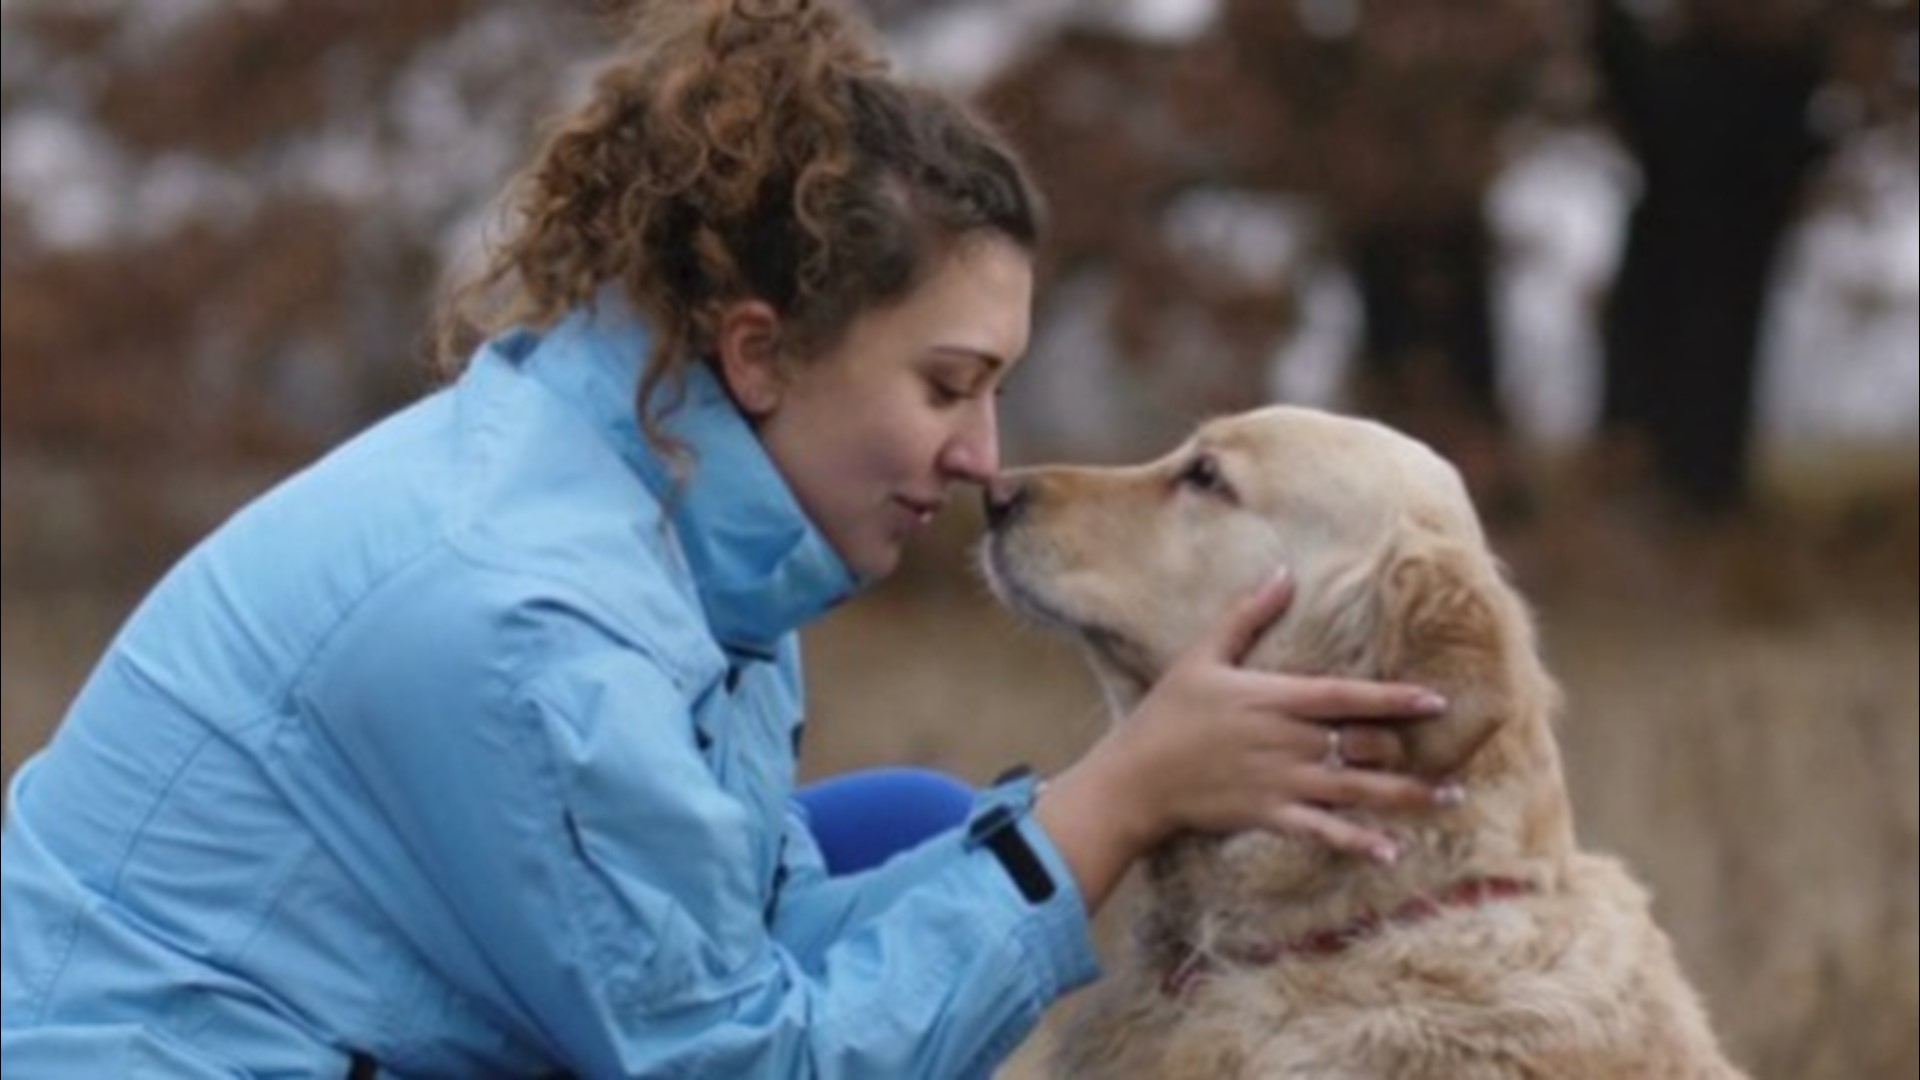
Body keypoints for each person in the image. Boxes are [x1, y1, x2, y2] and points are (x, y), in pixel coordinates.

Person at [0, 2, 1454, 1076]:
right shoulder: (534, 624)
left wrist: (1074, 813)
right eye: (947, 387)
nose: (985, 462)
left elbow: (742, 931)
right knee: (985, 862)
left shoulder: (672, 505)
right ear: (761, 353)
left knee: (913, 833)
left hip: (365, 1024)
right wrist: (1118, 801)